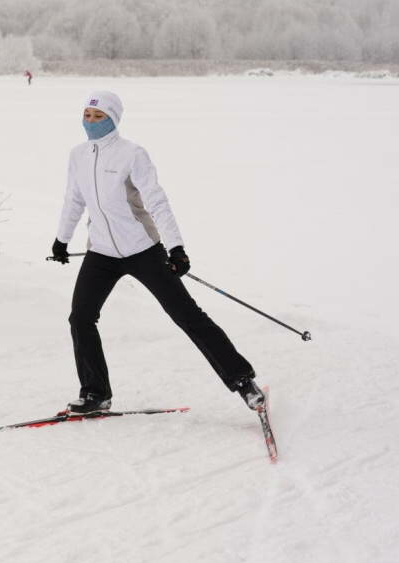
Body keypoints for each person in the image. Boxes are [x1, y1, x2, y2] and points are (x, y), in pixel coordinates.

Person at [51, 90, 264, 415]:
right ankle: (96, 393)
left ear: (113, 119)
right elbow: (74, 199)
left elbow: (156, 200)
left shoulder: (131, 154)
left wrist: (176, 247)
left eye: (98, 117)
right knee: (81, 317)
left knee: (187, 315)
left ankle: (243, 382)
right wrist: (61, 240)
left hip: (143, 249)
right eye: (87, 115)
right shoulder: (77, 155)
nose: (90, 122)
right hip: (101, 252)